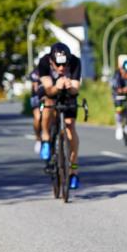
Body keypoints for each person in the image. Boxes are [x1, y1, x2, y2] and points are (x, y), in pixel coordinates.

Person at [38, 42, 82, 190]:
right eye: (58, 65)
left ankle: (73, 171)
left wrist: (70, 87)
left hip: (68, 95)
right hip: (52, 91)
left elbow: (76, 90)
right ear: (51, 61)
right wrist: (57, 86)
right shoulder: (44, 62)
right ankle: (45, 138)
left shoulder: (75, 62)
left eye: (65, 64)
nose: (62, 68)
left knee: (70, 126)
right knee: (47, 103)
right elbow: (49, 89)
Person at [28, 58, 45, 154]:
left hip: (50, 97)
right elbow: (35, 88)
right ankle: (38, 138)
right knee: (38, 117)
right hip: (38, 98)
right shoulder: (35, 73)